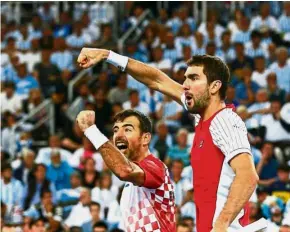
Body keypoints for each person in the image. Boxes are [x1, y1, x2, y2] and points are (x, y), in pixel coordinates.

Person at [77, 48, 259, 231]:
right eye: (186, 78)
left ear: (214, 86)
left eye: (194, 78)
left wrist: (222, 223)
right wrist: (108, 56)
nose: (185, 84)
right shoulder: (202, 117)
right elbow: (156, 80)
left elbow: (248, 176)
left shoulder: (224, 120)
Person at [76, 109, 176, 231]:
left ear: (145, 138)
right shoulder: (131, 181)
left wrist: (91, 130)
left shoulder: (155, 166)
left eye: (127, 129)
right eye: (115, 130)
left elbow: (124, 170)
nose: (118, 135)